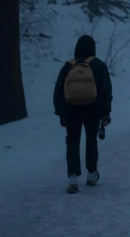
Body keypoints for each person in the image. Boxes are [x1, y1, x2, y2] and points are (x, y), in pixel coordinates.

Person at [53, 35, 112, 193]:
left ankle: (73, 179)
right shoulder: (98, 66)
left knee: (72, 142)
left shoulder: (68, 66)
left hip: (71, 110)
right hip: (93, 109)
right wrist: (105, 113)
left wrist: (61, 113)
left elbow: (58, 92)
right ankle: (91, 174)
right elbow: (106, 91)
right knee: (91, 140)